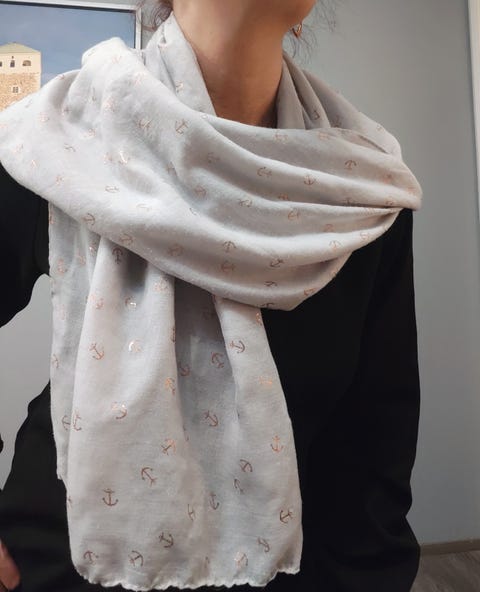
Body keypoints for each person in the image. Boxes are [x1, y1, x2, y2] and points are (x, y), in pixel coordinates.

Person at [0, 1, 423, 590]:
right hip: (62, 562)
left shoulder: (359, 188)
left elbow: (376, 442)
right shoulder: (64, 134)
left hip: (287, 569)